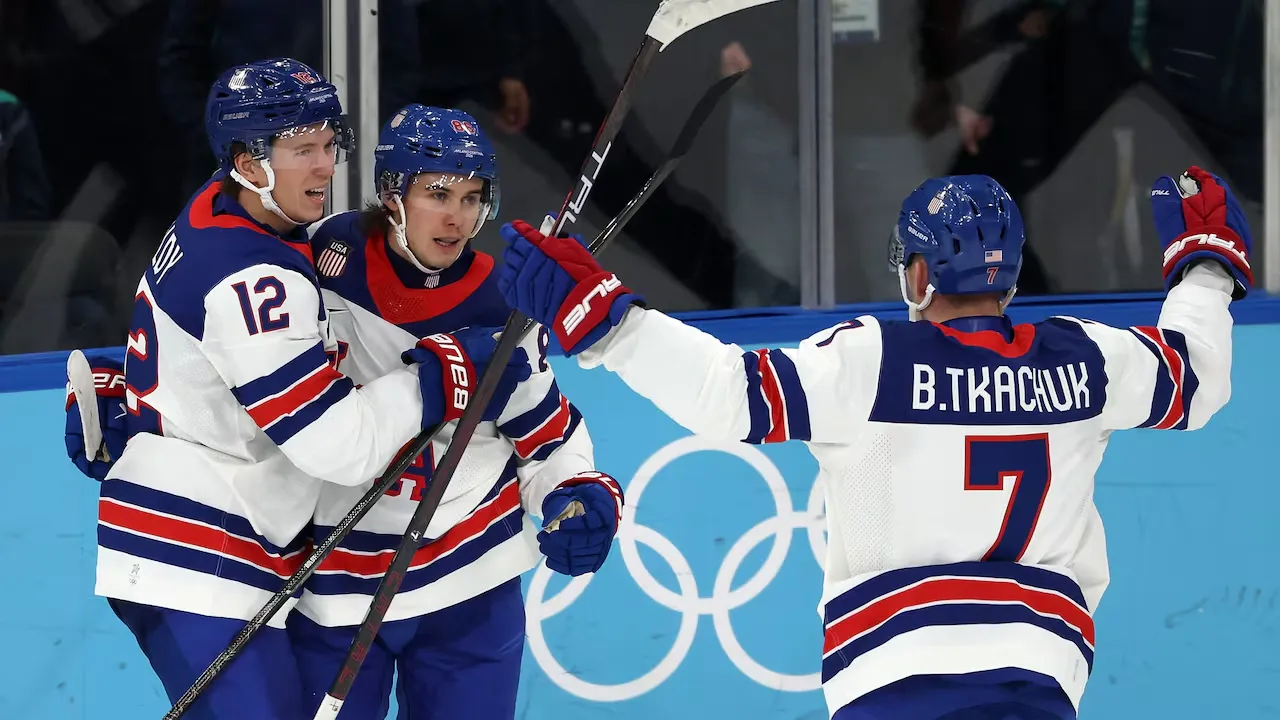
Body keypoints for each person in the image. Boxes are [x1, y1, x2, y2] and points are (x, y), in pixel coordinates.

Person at [493, 167, 1248, 719]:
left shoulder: (871, 359)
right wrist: (1204, 271)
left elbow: (727, 394)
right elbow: (1197, 378)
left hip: (891, 680)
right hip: (1038, 679)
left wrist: (604, 319)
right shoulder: (1083, 357)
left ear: (919, 272)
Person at [74, 58, 526, 719]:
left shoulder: (216, 209)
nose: (323, 167)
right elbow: (336, 446)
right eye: (300, 150)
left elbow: (191, 333)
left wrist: (135, 387)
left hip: (195, 545)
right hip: (199, 557)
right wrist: (444, 373)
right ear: (247, 160)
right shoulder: (258, 280)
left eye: (326, 144)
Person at [290, 103, 623, 720]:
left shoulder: (504, 299)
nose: (457, 217)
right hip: (332, 581)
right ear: (392, 193)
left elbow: (547, 434)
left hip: (470, 580)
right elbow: (234, 349)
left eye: (473, 198)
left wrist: (578, 491)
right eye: (437, 193)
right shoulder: (319, 257)